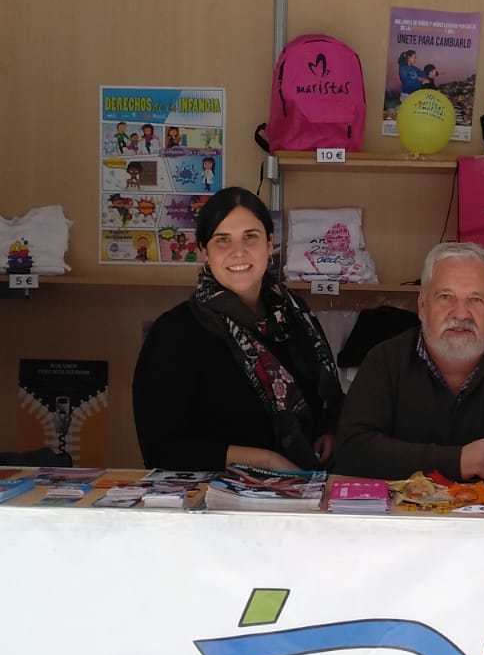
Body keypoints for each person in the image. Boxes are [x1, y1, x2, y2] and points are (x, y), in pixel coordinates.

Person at [132, 186, 343, 472]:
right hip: (215, 504)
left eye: (250, 237)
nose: (238, 252)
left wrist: (328, 431)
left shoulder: (296, 316)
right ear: (204, 251)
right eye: (223, 240)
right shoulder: (175, 334)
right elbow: (161, 450)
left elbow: (325, 400)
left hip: (304, 492)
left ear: (270, 244)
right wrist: (266, 460)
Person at [333, 241, 484, 481]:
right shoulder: (383, 361)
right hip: (406, 518)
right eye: (445, 297)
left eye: (475, 299)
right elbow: (351, 452)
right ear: (423, 306)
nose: (460, 314)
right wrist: (457, 461)